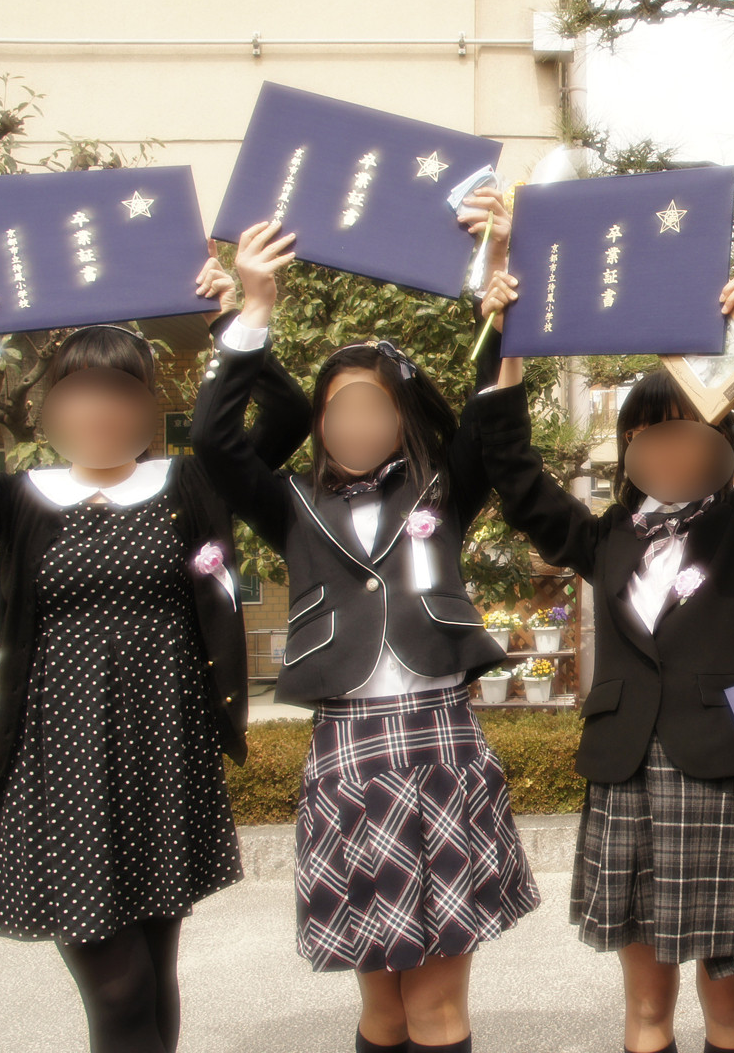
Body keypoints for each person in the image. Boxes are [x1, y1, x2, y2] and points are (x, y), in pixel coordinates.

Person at [476, 254, 734, 1053]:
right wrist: (507, 349)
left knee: (727, 1010)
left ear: (721, 441)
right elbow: (513, 476)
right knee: (645, 1007)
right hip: (624, 769)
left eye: (689, 431)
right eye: (648, 435)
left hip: (719, 765)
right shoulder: (603, 536)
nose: (669, 450)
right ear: (628, 448)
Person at [191, 196, 540, 1053]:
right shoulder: (291, 503)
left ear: (403, 417)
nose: (356, 425)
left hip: (442, 745)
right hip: (346, 754)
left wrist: (497, 276)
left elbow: (490, 413)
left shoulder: (442, 488)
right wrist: (251, 309)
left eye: (375, 409)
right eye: (339, 410)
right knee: (382, 1011)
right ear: (319, 422)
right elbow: (215, 441)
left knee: (437, 1010)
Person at [0, 257, 311, 1053]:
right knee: (121, 990)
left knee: (157, 976)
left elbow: (285, 417)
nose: (98, 409)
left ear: (145, 404)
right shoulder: (22, 498)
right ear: (52, 406)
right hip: (61, 769)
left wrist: (237, 317)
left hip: (164, 758)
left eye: (118, 391)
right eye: (79, 392)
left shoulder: (190, 483)